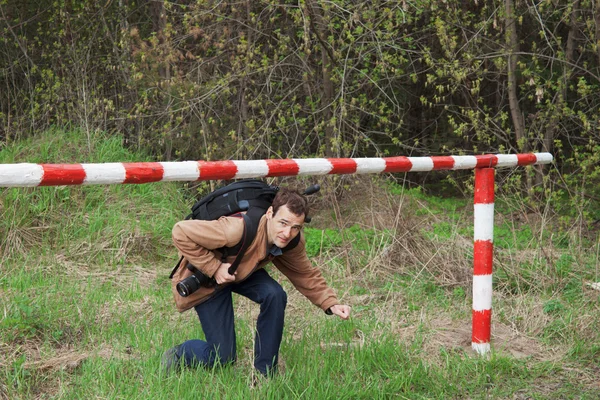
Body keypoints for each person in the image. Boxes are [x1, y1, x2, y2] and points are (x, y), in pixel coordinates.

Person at [162, 187, 351, 377]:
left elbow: (305, 274)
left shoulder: (291, 241)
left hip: (242, 271)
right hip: (210, 279)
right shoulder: (235, 229)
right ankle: (180, 353)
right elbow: (180, 231)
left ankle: (265, 372)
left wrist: (331, 303)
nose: (287, 233)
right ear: (270, 213)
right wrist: (214, 267)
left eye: (295, 227)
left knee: (274, 295)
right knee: (222, 358)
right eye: (283, 223)